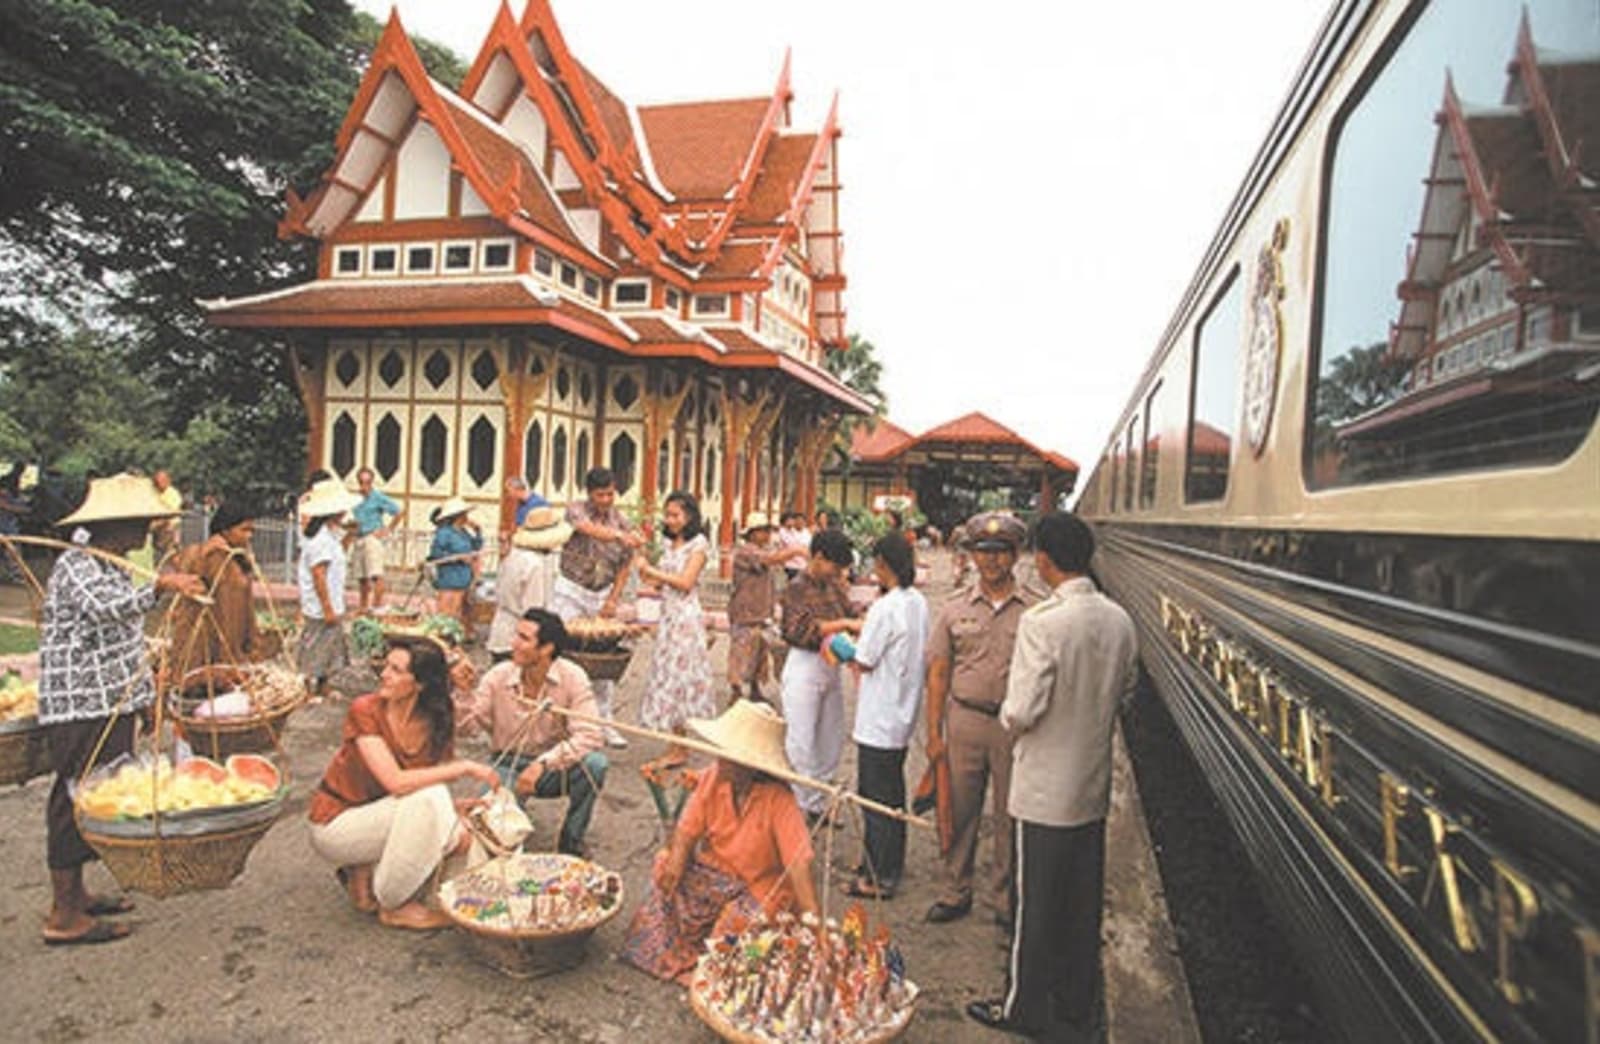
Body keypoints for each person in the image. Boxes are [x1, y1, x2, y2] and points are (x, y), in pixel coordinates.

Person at [967, 514, 1138, 1039]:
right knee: (1081, 902)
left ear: (1042, 559)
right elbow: (1126, 695)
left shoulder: (1045, 622)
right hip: (1090, 785)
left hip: (1042, 791)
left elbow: (1020, 711)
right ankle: (1075, 1001)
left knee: (1033, 906)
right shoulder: (1119, 620)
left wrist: (1010, 721)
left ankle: (1023, 1007)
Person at [37, 474, 204, 944]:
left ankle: (78, 896)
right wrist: (162, 586)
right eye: (141, 523)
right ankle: (64, 914)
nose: (148, 530)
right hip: (81, 704)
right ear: (116, 524)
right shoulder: (79, 564)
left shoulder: (110, 564)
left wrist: (145, 696)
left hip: (110, 700)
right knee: (76, 797)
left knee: (102, 795)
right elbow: (108, 609)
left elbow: (124, 638)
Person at [307, 637, 502, 930]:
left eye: (396, 670)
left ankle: (367, 871)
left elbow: (418, 790)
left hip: (382, 815)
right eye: (386, 666)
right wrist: (462, 768)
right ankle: (393, 903)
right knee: (443, 817)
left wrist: (453, 808)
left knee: (466, 832)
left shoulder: (438, 718)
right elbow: (397, 782)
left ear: (420, 684)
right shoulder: (366, 709)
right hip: (335, 823)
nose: (384, 674)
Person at [621, 699, 819, 984]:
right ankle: (677, 955)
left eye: (727, 754)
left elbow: (798, 863)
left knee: (736, 928)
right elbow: (688, 828)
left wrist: (813, 921)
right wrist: (677, 858)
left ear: (748, 764)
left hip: (757, 887)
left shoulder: (780, 800)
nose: (719, 758)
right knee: (665, 867)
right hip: (716, 873)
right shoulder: (714, 778)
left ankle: (715, 972)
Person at [924, 510, 1036, 926]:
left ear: (1016, 554)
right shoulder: (954, 610)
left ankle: (1006, 899)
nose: (990, 561)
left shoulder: (1035, 611)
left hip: (1013, 725)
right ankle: (956, 890)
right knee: (960, 808)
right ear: (970, 556)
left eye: (1000, 552)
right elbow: (937, 674)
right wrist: (934, 734)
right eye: (982, 552)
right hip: (965, 720)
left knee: (1011, 814)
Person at [457, 609, 607, 857]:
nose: (513, 643)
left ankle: (571, 841)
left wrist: (543, 764)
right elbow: (468, 728)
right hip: (506, 764)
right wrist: (463, 693)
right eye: (516, 635)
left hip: (552, 768)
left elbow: (590, 734)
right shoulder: (498, 676)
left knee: (596, 764)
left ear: (547, 648)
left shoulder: (573, 677)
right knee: (489, 830)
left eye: (524, 638)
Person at [845, 531, 928, 900]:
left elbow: (865, 658)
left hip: (879, 718)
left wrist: (840, 644)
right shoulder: (917, 603)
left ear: (883, 565)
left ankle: (878, 875)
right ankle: (887, 862)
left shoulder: (884, 607)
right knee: (892, 794)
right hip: (902, 712)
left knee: (874, 797)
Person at [551, 467, 640, 749]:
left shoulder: (622, 521)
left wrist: (613, 598)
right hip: (571, 588)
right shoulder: (577, 509)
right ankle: (560, 722)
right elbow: (585, 528)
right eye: (601, 494)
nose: (606, 499)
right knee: (563, 653)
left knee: (604, 659)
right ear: (590, 493)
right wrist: (618, 536)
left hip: (601, 592)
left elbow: (626, 564)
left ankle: (604, 723)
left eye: (610, 493)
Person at [777, 527, 858, 825]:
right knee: (801, 739)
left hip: (831, 665)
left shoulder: (834, 586)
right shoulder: (796, 587)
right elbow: (797, 630)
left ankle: (819, 801)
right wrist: (842, 624)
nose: (838, 573)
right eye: (835, 567)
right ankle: (799, 805)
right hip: (804, 665)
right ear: (819, 558)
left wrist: (850, 624)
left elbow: (850, 614)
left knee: (830, 736)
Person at [634, 491, 716, 770]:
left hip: (685, 618)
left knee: (680, 678)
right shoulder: (671, 544)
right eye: (667, 515)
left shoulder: (699, 544)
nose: (669, 520)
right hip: (668, 617)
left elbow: (685, 582)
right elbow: (659, 582)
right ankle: (676, 743)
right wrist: (643, 565)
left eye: (675, 515)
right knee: (669, 676)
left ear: (689, 516)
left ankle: (679, 746)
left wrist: (653, 573)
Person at [167, 499, 262, 681]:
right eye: (244, 530)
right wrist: (230, 653)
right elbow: (226, 609)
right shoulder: (215, 556)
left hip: (223, 636)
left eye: (252, 531)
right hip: (209, 635)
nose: (249, 536)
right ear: (225, 530)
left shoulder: (235, 556)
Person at [297, 478, 359, 697]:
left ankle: (324, 685)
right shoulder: (319, 539)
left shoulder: (330, 535)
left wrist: (350, 536)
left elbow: (336, 557)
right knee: (315, 645)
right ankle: (308, 690)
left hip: (332, 600)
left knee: (330, 646)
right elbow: (318, 575)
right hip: (321, 605)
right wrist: (327, 608)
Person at [726, 512, 795, 704]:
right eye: (763, 531)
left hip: (761, 611)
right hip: (745, 612)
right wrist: (796, 551)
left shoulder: (760, 551)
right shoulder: (746, 551)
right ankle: (737, 690)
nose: (767, 535)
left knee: (759, 652)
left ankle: (755, 687)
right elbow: (770, 559)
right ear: (753, 533)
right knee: (741, 653)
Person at [485, 507, 570, 663]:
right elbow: (533, 609)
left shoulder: (513, 555)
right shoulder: (534, 565)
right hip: (520, 637)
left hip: (501, 629)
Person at [350, 467, 404, 613]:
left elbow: (398, 511)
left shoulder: (378, 497)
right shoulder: (355, 499)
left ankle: (376, 606)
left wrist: (388, 529)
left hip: (372, 536)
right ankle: (363, 606)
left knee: (376, 574)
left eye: (367, 482)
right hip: (359, 537)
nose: (364, 486)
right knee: (361, 576)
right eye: (361, 482)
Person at [426, 497, 483, 632]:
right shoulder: (444, 533)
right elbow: (435, 555)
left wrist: (478, 532)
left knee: (460, 615)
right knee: (446, 618)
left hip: (464, 579)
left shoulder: (463, 532)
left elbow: (476, 547)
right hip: (450, 579)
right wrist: (457, 558)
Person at [150, 469, 184, 559]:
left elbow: (170, 514)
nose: (157, 484)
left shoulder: (173, 494)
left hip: (170, 527)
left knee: (171, 554)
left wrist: (156, 523)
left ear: (168, 481)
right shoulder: (153, 493)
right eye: (156, 482)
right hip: (156, 527)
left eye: (161, 481)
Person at [775, 510, 812, 581]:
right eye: (790, 519)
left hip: (802, 565)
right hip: (788, 566)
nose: (792, 521)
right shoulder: (782, 532)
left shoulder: (804, 532)